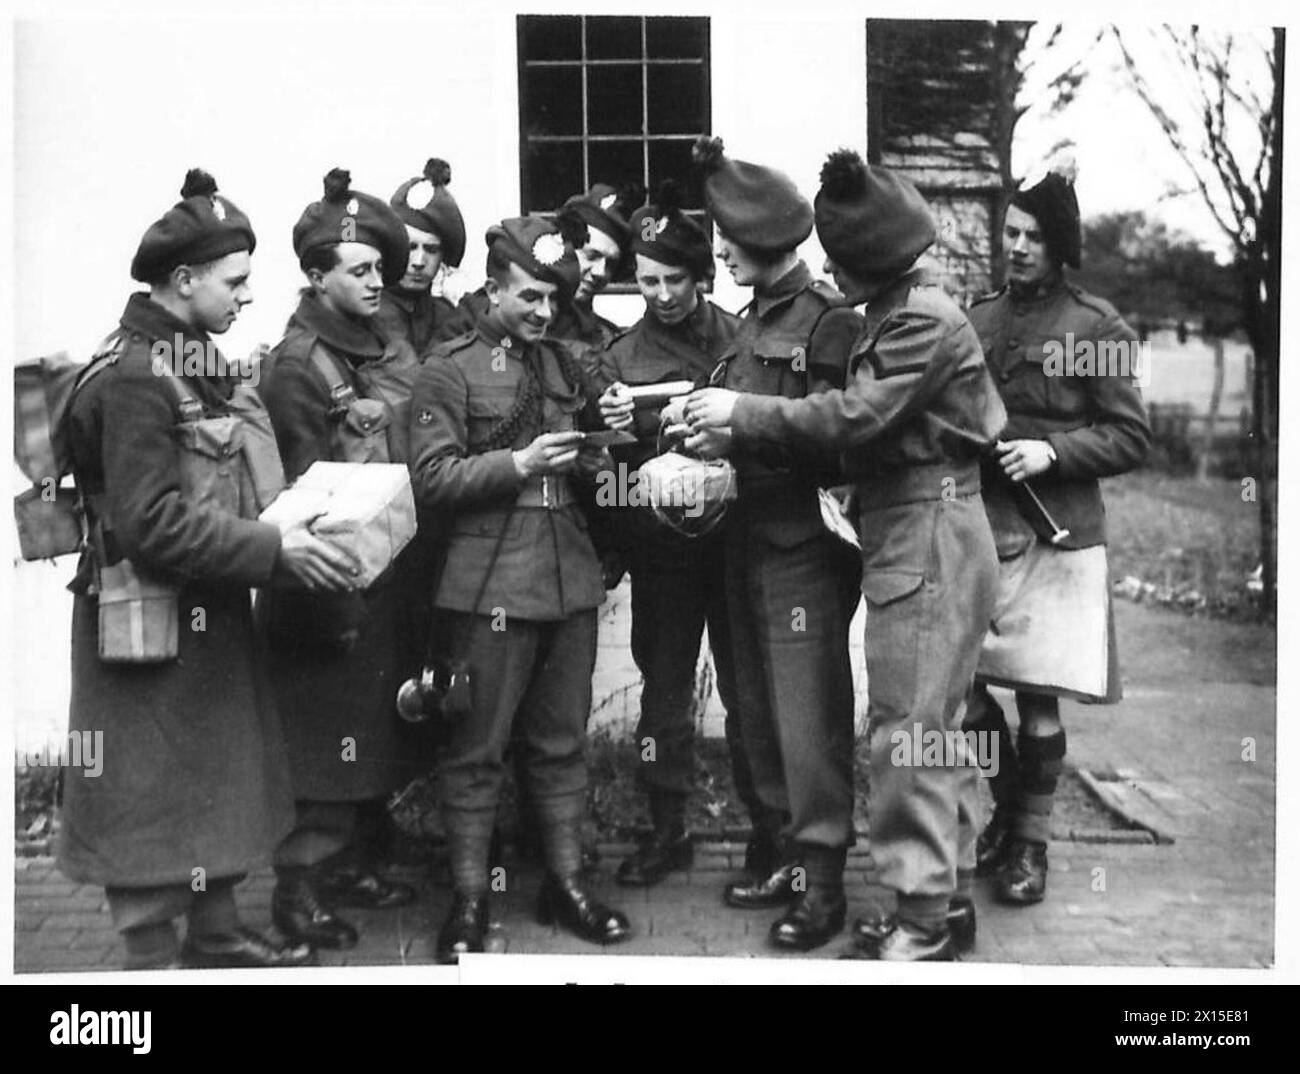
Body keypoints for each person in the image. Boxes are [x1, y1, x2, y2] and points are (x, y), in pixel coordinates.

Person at [685, 149, 1007, 960]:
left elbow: (854, 417)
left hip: (929, 531)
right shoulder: (897, 312)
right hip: (914, 528)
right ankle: (945, 898)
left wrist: (742, 414)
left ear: (871, 260)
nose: (828, 267)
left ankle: (925, 923)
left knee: (909, 731)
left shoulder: (922, 321)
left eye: (841, 258)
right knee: (931, 726)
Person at [58, 169, 357, 969]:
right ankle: (152, 958)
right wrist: (272, 551)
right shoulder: (139, 378)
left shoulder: (186, 357)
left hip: (201, 609)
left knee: (214, 772)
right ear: (182, 281)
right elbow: (149, 522)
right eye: (235, 282)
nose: (247, 297)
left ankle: (218, 934)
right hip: (144, 623)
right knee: (151, 793)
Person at [409, 215, 632, 963]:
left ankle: (565, 884)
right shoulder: (449, 368)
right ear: (494, 288)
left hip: (566, 576)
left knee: (561, 743)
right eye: (530, 298)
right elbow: (432, 479)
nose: (543, 313)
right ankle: (470, 898)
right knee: (476, 746)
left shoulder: (565, 365)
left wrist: (599, 453)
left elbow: (584, 467)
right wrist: (520, 464)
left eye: (551, 301)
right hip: (488, 582)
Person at [677, 137, 862, 951]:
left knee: (806, 715)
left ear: (769, 242)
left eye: (729, 241)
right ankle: (782, 852)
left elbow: (839, 442)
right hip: (739, 541)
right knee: (752, 709)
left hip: (799, 549)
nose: (718, 253)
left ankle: (823, 886)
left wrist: (741, 435)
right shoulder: (749, 326)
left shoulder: (828, 322)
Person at [961, 161, 1151, 906]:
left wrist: (1053, 451)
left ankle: (1029, 848)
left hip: (1058, 536)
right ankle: (1006, 813)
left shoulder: (1095, 327)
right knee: (967, 695)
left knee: (1038, 701)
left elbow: (1130, 438)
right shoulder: (976, 319)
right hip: (980, 530)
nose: (1019, 246)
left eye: (1034, 236)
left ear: (1060, 244)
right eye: (1010, 231)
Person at [259, 168, 423, 951]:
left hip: (381, 577)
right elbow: (293, 500)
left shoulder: (382, 343)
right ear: (315, 277)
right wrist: (329, 605)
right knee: (324, 750)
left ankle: (352, 864)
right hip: (325, 591)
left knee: (369, 738)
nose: (375, 281)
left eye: (378, 269)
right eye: (357, 270)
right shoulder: (297, 366)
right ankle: (297, 894)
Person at [593, 181, 754, 887]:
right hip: (663, 556)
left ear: (702, 275)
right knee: (663, 695)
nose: (659, 294)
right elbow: (608, 466)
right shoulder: (621, 357)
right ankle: (666, 829)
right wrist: (621, 438)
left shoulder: (742, 338)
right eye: (647, 280)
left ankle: (770, 829)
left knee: (750, 691)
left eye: (674, 280)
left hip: (739, 545)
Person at [377, 157, 467, 356]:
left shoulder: (449, 318)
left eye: (431, 250)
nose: (419, 262)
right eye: (410, 247)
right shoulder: (364, 312)